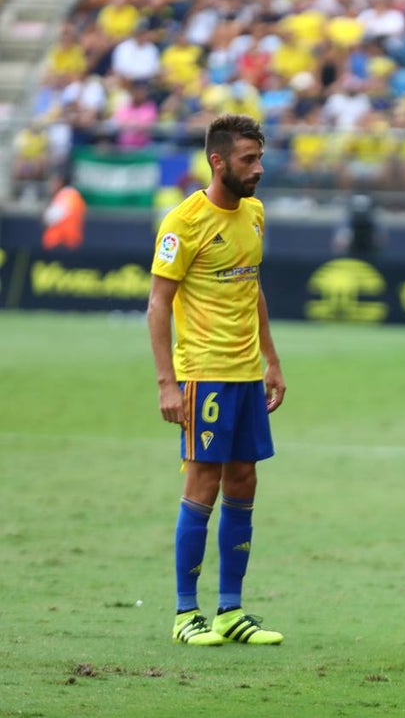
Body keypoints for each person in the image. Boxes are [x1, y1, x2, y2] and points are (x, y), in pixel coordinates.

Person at [147, 114, 286, 646]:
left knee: (244, 481)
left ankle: (231, 609)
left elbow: (253, 289)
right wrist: (167, 382)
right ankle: (186, 614)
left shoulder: (254, 214)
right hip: (204, 375)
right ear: (218, 161)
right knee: (203, 484)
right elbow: (158, 305)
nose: (259, 169)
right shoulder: (183, 222)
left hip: (248, 373)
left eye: (260, 158)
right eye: (249, 159)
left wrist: (271, 360)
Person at [41, 170, 87, 251]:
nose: (52, 184)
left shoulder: (64, 196)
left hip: (58, 242)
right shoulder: (76, 196)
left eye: (55, 181)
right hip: (72, 241)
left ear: (61, 182)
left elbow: (50, 217)